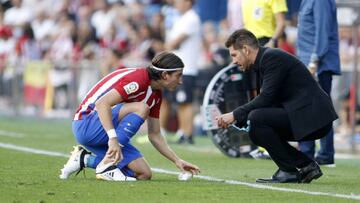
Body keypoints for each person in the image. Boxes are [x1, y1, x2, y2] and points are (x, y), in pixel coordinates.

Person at [216, 29, 338, 183]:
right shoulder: (263, 61)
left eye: (234, 55)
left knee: (257, 119)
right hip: (305, 116)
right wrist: (238, 120)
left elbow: (266, 98)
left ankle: (296, 168)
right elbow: (269, 101)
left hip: (314, 118)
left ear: (246, 50)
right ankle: (299, 168)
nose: (233, 61)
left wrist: (234, 115)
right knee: (256, 128)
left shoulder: (271, 58)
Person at [59, 51, 200, 181]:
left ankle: (85, 159)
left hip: (106, 131)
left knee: (144, 174)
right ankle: (107, 165)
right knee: (141, 108)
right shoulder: (139, 79)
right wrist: (113, 139)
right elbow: (102, 104)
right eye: (178, 75)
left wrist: (177, 160)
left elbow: (155, 134)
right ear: (165, 75)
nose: (181, 81)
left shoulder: (156, 94)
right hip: (86, 123)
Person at [297, 0, 341, 167]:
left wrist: (314, 63)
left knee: (314, 109)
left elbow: (323, 31)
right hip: (309, 62)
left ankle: (314, 153)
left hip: (317, 65)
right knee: (318, 109)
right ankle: (324, 154)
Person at [162, 0, 201, 144]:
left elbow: (173, 43)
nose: (177, 4)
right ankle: (183, 132)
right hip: (176, 68)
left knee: (185, 101)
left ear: (188, 2)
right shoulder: (181, 18)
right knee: (179, 101)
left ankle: (188, 133)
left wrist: (168, 44)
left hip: (187, 68)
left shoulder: (192, 18)